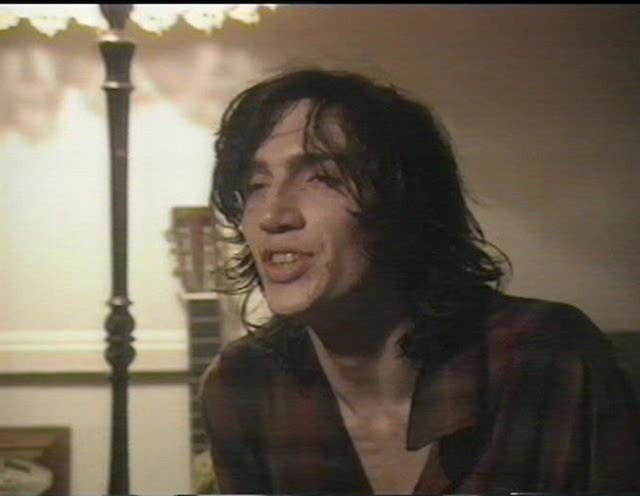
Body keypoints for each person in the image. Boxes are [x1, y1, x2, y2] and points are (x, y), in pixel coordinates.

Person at [199, 68, 640, 494]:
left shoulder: (546, 357)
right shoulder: (243, 384)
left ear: (404, 206)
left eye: (324, 178)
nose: (273, 215)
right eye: (256, 185)